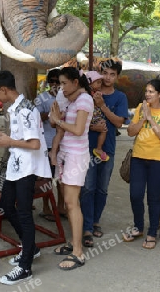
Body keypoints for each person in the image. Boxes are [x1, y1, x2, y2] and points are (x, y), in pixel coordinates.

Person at [0, 70, 51, 285]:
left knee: (24, 213)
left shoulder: (27, 110)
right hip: (16, 167)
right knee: (6, 205)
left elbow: (34, 144)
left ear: (4, 89)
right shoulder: (14, 108)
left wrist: (9, 143)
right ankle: (30, 247)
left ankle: (26, 267)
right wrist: (6, 141)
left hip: (28, 167)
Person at [80, 59, 128, 248]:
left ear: (117, 76)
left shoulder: (120, 98)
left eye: (112, 74)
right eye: (105, 73)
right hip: (86, 147)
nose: (107, 78)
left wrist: (102, 105)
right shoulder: (87, 94)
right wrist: (92, 125)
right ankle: (87, 228)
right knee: (88, 187)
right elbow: (78, 119)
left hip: (107, 149)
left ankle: (95, 221)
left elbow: (118, 123)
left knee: (102, 188)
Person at [49, 67, 93, 271]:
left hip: (76, 156)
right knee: (68, 203)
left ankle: (78, 252)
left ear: (76, 82)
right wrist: (57, 119)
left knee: (72, 203)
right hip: (66, 155)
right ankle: (73, 243)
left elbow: (77, 129)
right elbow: (53, 121)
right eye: (60, 84)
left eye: (65, 83)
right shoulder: (71, 100)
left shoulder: (84, 100)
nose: (62, 87)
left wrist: (58, 120)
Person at [123, 79, 160, 249]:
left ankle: (151, 232)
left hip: (158, 160)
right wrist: (143, 117)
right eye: (146, 91)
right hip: (138, 157)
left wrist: (151, 119)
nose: (147, 94)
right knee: (135, 194)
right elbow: (130, 132)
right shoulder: (140, 108)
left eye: (151, 92)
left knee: (153, 197)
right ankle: (138, 227)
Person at [36, 68, 66, 220]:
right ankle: (46, 207)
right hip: (47, 144)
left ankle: (61, 206)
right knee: (46, 178)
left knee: (61, 179)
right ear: (48, 83)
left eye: (57, 81)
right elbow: (35, 119)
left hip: (64, 144)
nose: (54, 84)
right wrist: (50, 114)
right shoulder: (42, 98)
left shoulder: (67, 98)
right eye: (51, 81)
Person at [85, 71, 109, 162]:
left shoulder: (97, 93)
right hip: (92, 116)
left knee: (104, 129)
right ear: (90, 83)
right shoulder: (87, 93)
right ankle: (99, 148)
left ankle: (99, 148)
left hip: (94, 116)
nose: (100, 84)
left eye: (100, 82)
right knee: (104, 129)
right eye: (98, 82)